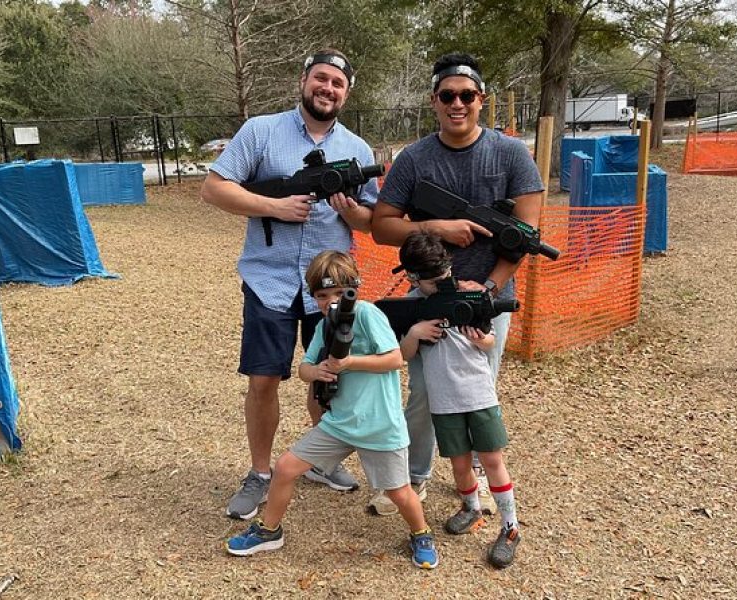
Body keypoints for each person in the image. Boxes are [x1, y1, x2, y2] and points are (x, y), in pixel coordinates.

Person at [201, 48, 378, 520]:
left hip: (329, 287)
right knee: (263, 379)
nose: (328, 89)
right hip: (270, 280)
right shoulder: (261, 131)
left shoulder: (358, 151)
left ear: (346, 93)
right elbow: (214, 187)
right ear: (304, 80)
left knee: (328, 378)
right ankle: (261, 473)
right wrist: (274, 207)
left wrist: (349, 210)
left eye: (338, 83)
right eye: (321, 79)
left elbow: (371, 221)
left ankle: (318, 461)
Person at [369, 53, 545, 516]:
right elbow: (383, 226)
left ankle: (480, 477)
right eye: (448, 95)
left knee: (479, 390)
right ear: (435, 101)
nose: (457, 103)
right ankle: (413, 478)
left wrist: (487, 288)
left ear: (481, 100)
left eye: (467, 95)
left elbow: (525, 237)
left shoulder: (511, 154)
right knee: (425, 394)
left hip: (487, 298)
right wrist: (438, 229)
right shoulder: (415, 158)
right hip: (428, 294)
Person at [224, 251, 439, 570]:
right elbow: (304, 369)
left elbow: (395, 360)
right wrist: (319, 371)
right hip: (339, 424)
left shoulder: (366, 314)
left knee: (399, 492)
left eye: (340, 293)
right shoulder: (325, 327)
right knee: (285, 467)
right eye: (322, 296)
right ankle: (269, 531)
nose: (331, 302)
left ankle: (421, 534)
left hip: (380, 425)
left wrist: (350, 363)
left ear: (354, 290)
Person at [394, 232, 521, 568]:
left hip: (478, 395)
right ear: (413, 278)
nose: (444, 285)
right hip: (443, 400)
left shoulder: (472, 294)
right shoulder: (412, 307)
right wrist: (414, 333)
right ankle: (471, 508)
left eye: (445, 277)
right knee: (460, 464)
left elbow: (491, 342)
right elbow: (403, 356)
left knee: (491, 461)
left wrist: (479, 339)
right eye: (435, 282)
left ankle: (510, 527)